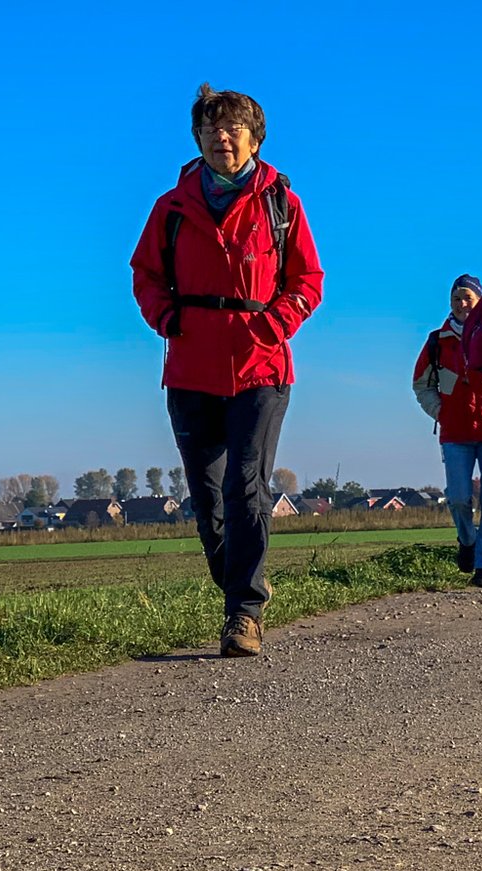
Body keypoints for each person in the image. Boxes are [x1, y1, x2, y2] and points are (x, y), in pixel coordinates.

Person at [131, 84, 324, 656]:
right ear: (197, 138)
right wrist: (165, 316)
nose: (222, 137)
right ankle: (236, 585)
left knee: (247, 487)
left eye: (234, 127)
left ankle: (245, 612)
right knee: (208, 497)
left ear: (255, 138)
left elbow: (307, 280)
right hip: (190, 365)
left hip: (261, 366)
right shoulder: (169, 209)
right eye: (211, 128)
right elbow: (144, 274)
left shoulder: (280, 203)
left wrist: (274, 324)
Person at [413, 274, 482, 588]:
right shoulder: (437, 341)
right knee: (459, 499)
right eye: (457, 298)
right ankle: (467, 541)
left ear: (479, 301)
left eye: (468, 298)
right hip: (455, 434)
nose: (462, 304)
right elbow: (421, 385)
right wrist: (442, 412)